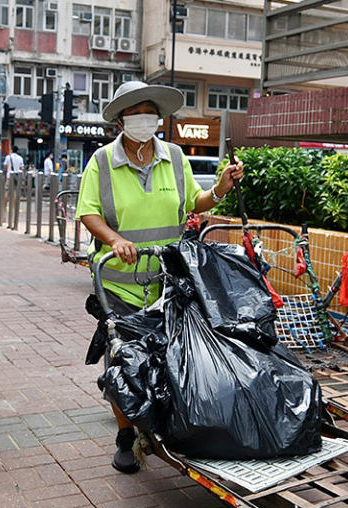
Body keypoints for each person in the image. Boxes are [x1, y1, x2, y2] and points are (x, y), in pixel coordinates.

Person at [76, 81, 243, 474]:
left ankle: (164, 422)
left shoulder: (174, 156)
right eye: (137, 113)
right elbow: (88, 212)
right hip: (118, 284)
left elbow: (195, 203)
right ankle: (124, 436)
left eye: (151, 113)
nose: (145, 120)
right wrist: (114, 239)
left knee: (168, 355)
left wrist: (219, 188)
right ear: (121, 120)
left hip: (168, 282)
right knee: (122, 358)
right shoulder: (102, 161)